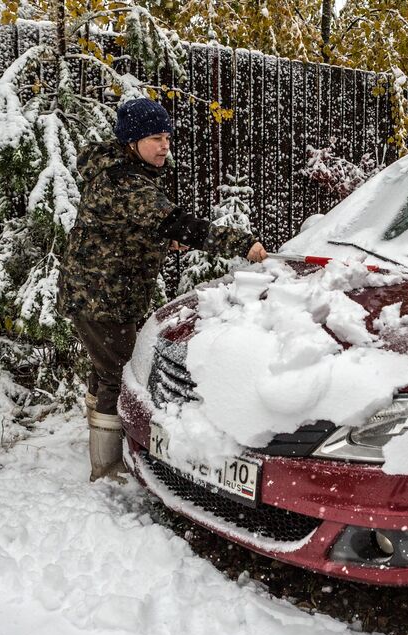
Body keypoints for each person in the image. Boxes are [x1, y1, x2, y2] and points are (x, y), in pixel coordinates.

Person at [57, 97, 267, 482]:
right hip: (102, 296)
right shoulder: (125, 182)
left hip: (102, 290)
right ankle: (106, 466)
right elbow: (179, 223)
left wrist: (157, 241)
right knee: (116, 374)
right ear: (132, 141)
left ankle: (97, 437)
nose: (164, 145)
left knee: (104, 367)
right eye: (155, 137)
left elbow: (122, 228)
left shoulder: (121, 171)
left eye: (167, 136)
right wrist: (242, 244)